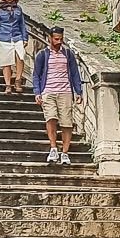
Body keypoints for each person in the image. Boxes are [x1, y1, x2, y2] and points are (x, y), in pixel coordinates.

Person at [33, 27, 83, 165]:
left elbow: (74, 73)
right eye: (56, 39)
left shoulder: (68, 54)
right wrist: (37, 92)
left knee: (67, 122)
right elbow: (36, 74)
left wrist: (78, 91)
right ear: (49, 38)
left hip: (65, 91)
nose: (59, 41)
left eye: (61, 39)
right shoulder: (42, 54)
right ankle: (54, 148)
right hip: (48, 91)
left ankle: (65, 153)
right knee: (51, 118)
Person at [0, 0, 28, 93]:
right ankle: (8, 84)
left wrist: (25, 38)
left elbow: (22, 24)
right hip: (4, 37)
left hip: (17, 36)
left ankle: (18, 79)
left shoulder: (18, 9)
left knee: (20, 56)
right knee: (6, 61)